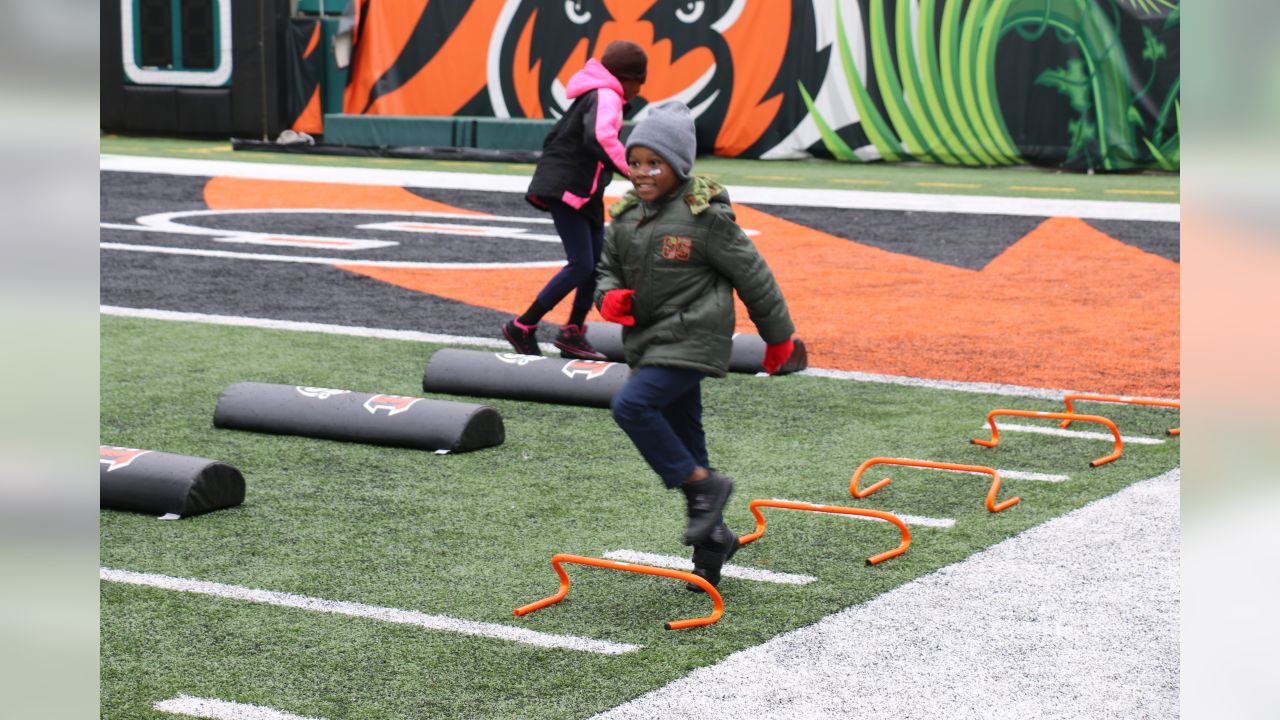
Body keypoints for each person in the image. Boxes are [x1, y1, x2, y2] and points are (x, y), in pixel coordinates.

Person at [594, 101, 797, 591]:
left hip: (693, 339)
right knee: (688, 442)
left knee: (631, 406)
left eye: (654, 163)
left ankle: (706, 488)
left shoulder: (705, 217)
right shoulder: (625, 218)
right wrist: (609, 299)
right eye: (636, 161)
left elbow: (754, 276)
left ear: (679, 166)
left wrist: (777, 337)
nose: (642, 172)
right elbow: (606, 272)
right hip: (649, 341)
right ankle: (713, 541)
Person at [503, 40, 648, 359]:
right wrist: (632, 170)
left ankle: (573, 332)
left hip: (584, 189)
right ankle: (522, 326)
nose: (640, 89)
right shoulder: (607, 94)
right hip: (568, 184)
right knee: (582, 264)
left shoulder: (599, 93)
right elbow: (599, 137)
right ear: (627, 78)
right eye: (640, 80)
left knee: (594, 265)